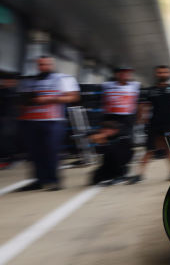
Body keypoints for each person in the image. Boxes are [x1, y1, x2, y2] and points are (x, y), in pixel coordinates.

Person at [17, 55, 80, 190]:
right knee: (34, 153)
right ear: (37, 66)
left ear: (52, 65)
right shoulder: (29, 81)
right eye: (41, 64)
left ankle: (54, 180)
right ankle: (39, 180)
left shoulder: (62, 79)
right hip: (31, 121)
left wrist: (49, 99)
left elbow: (74, 97)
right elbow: (22, 100)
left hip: (53, 121)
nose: (44, 67)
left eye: (46, 64)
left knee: (51, 151)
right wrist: (28, 102)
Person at [135, 65, 170, 181]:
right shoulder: (149, 91)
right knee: (150, 149)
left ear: (169, 74)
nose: (162, 74)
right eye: (160, 72)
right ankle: (139, 174)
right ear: (156, 74)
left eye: (165, 72)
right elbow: (144, 107)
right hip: (154, 124)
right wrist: (141, 121)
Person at [88, 120, 134, 185]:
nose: (104, 132)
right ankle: (113, 175)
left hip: (121, 163)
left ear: (115, 130)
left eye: (106, 130)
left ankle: (120, 175)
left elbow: (115, 150)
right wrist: (99, 141)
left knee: (115, 153)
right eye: (103, 130)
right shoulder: (107, 137)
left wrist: (103, 141)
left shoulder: (123, 136)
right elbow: (99, 151)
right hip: (108, 165)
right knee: (95, 179)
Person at [101, 66, 140, 140]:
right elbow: (103, 100)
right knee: (111, 138)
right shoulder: (107, 85)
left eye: (127, 73)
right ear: (116, 74)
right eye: (122, 73)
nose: (125, 75)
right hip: (112, 117)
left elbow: (137, 102)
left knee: (126, 139)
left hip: (128, 118)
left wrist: (137, 118)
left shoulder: (135, 85)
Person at [0, 72, 19, 169]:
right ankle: (8, 159)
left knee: (7, 139)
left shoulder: (11, 92)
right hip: (6, 118)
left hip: (9, 118)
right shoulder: (5, 91)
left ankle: (9, 159)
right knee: (5, 139)